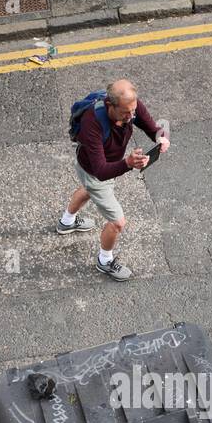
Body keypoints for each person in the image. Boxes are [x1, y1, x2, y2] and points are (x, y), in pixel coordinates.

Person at [58, 79, 169, 281]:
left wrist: (160, 137)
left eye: (133, 110)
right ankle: (105, 261)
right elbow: (100, 171)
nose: (131, 116)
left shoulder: (129, 105)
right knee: (117, 222)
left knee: (88, 190)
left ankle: (66, 222)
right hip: (95, 170)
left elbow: (149, 124)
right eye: (126, 112)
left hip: (100, 167)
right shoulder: (91, 123)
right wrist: (127, 163)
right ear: (111, 105)